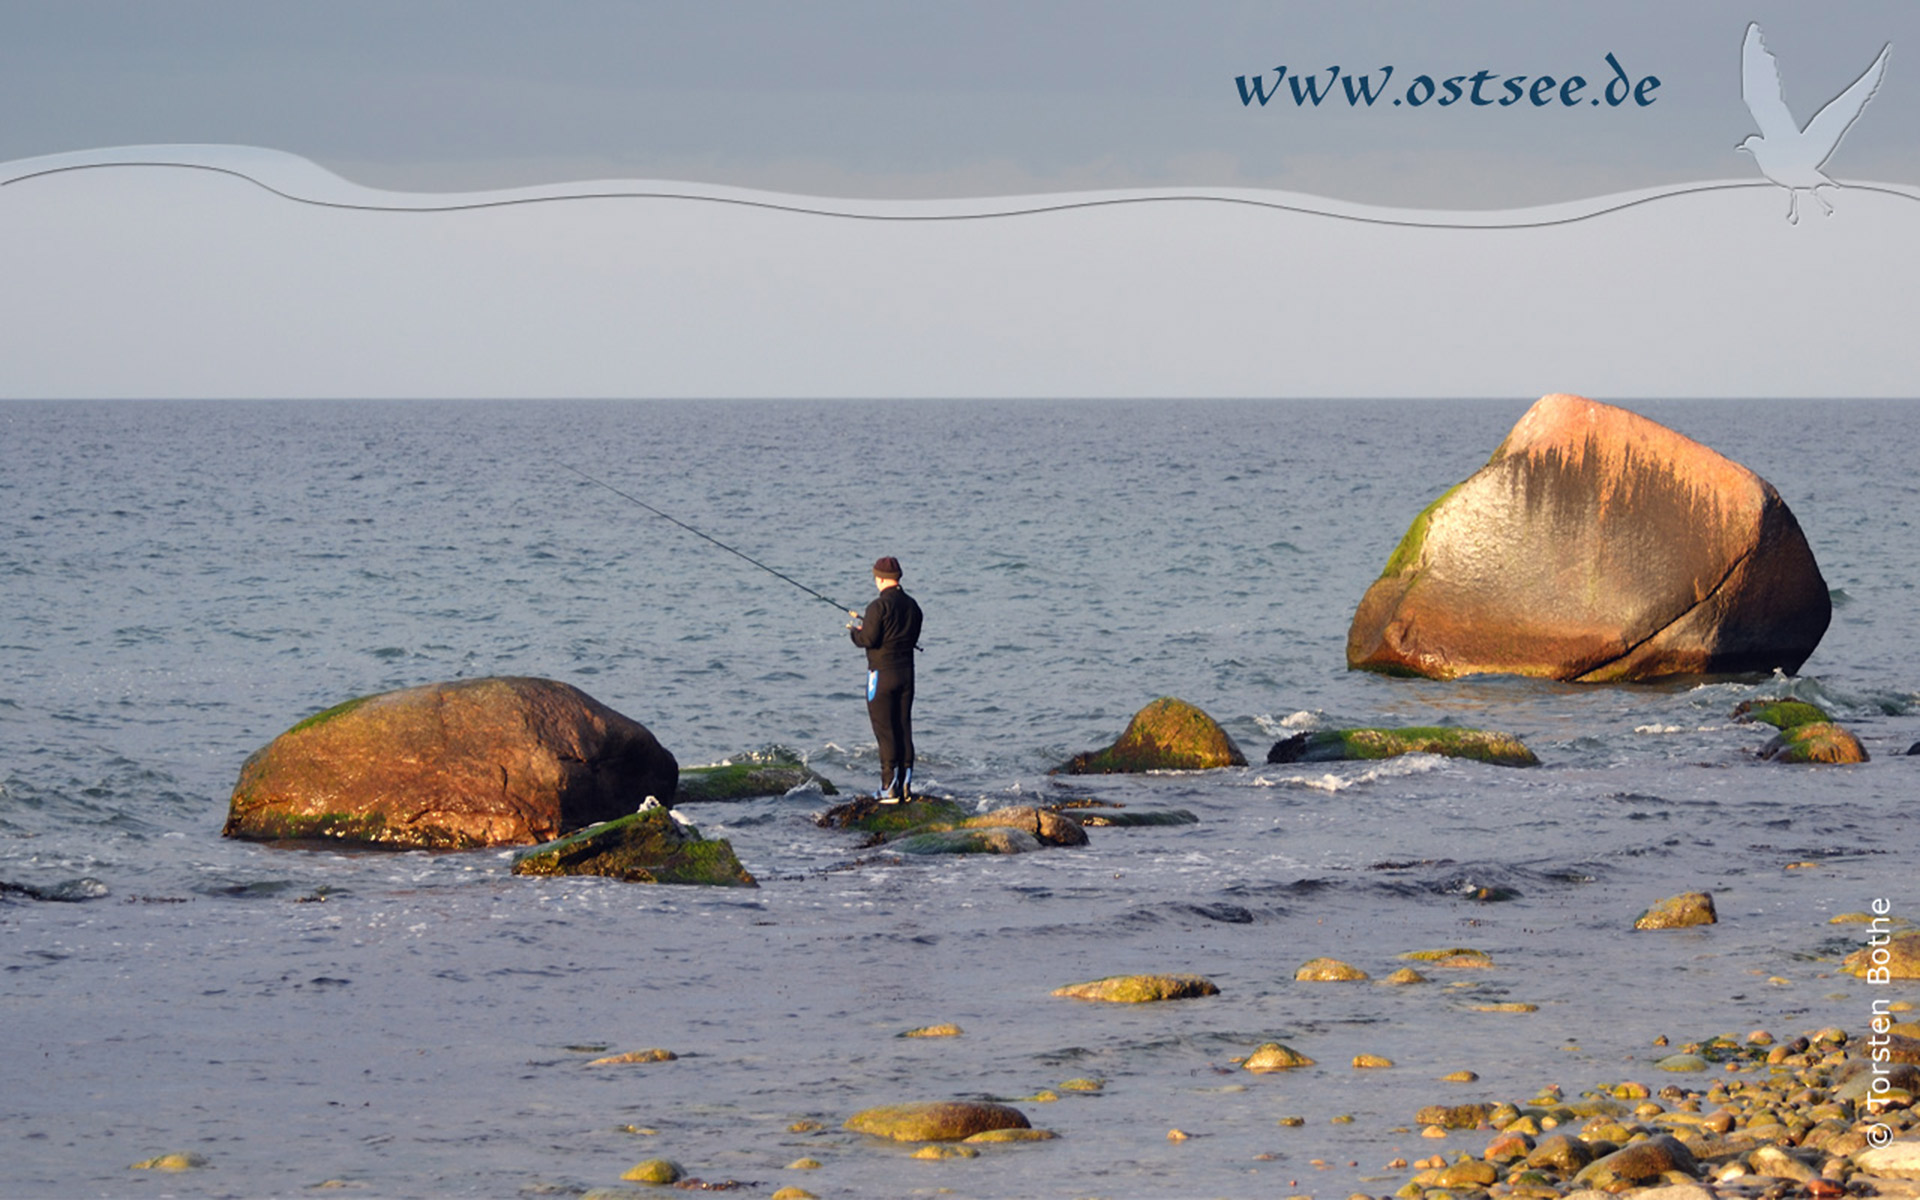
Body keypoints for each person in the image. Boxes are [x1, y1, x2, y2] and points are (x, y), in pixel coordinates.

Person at [847, 555, 923, 801]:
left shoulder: (877, 607)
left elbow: (868, 640)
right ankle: (906, 785)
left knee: (885, 730)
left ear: (880, 579)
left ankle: (888, 787)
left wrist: (854, 633)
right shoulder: (913, 606)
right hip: (907, 675)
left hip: (881, 675)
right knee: (903, 726)